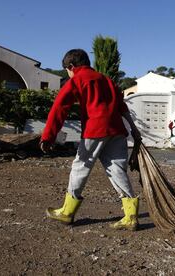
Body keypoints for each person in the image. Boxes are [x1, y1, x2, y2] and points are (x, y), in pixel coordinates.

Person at [40, 49, 142, 231]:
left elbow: (59, 108)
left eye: (67, 70)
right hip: (117, 130)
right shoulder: (106, 79)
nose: (68, 74)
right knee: (117, 170)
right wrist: (134, 130)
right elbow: (122, 106)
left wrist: (48, 136)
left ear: (71, 66)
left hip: (95, 129)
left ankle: (67, 212)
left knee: (80, 167)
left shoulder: (78, 79)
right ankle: (130, 216)